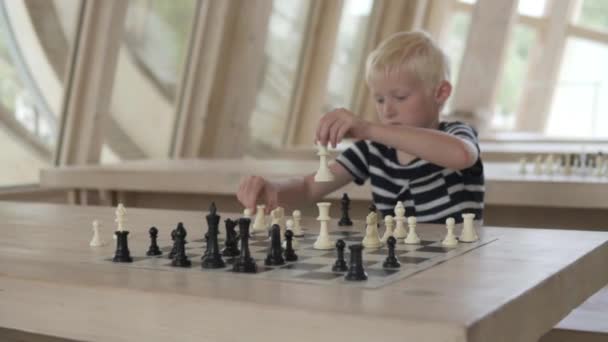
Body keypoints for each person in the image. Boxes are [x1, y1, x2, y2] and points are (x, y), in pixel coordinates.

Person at [237, 31, 484, 223]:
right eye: (379, 99)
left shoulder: (456, 134)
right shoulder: (372, 151)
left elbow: (461, 156)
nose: (387, 110)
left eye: (400, 97)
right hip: (400, 267)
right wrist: (274, 190)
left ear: (440, 93)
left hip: (455, 266)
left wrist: (369, 129)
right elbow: (308, 187)